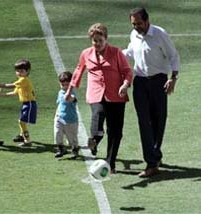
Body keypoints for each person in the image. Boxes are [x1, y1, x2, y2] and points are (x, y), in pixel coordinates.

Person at [65, 23, 133, 173]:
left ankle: (111, 162)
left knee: (115, 130)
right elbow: (78, 71)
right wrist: (69, 90)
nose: (97, 44)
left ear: (106, 39)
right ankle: (94, 139)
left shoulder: (116, 53)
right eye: (94, 41)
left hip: (116, 95)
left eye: (100, 41)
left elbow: (127, 71)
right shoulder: (86, 54)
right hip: (96, 93)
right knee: (98, 114)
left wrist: (125, 84)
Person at [123, 7, 180, 177]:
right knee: (144, 122)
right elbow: (130, 53)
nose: (136, 27)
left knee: (158, 120)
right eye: (134, 24)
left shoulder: (160, 34)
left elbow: (173, 56)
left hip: (159, 81)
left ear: (147, 20)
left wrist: (173, 78)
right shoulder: (134, 35)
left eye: (139, 23)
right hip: (140, 82)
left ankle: (155, 155)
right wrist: (114, 55)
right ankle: (151, 163)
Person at [0, 59, 37, 147]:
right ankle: (22, 135)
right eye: (17, 71)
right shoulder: (21, 83)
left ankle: (27, 140)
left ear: (27, 71)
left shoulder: (23, 80)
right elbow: (14, 92)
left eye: (21, 71)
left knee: (22, 121)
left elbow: (11, 86)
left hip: (29, 104)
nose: (19, 73)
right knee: (21, 121)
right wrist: (1, 95)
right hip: (26, 104)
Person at [54, 71, 79, 159]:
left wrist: (69, 92)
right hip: (59, 118)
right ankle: (61, 149)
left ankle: (74, 149)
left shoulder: (72, 93)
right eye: (62, 84)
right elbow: (59, 103)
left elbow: (69, 98)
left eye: (67, 85)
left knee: (71, 138)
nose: (64, 87)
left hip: (71, 120)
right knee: (57, 134)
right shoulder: (60, 92)